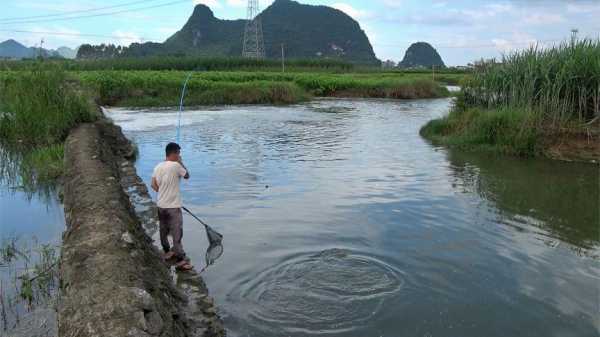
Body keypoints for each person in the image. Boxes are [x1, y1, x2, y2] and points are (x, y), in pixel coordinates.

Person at [151, 142, 193, 271]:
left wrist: (164, 193)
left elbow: (153, 185)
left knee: (163, 230)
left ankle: (167, 251)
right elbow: (187, 176)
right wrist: (180, 162)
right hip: (173, 207)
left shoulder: (158, 166)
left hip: (161, 205)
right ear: (174, 153)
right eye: (178, 153)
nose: (179, 155)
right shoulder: (176, 165)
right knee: (176, 233)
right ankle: (181, 260)